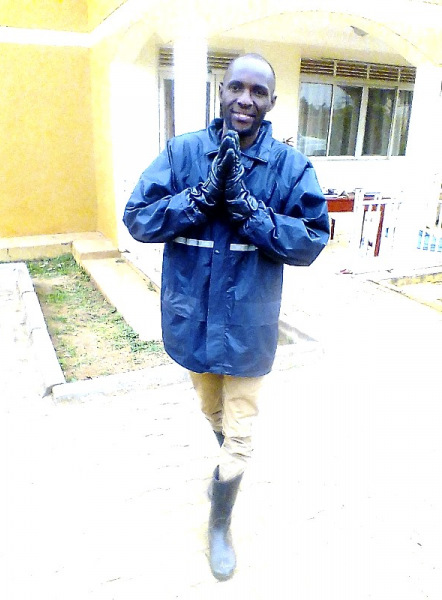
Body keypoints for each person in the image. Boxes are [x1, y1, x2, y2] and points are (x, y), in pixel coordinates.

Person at [123, 53, 329, 580]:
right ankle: (228, 469)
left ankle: (220, 523)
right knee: (210, 409)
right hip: (192, 318)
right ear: (221, 90)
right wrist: (199, 198)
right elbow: (138, 218)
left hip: (247, 326)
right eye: (237, 87)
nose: (245, 99)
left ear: (272, 102)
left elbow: (311, 240)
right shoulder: (184, 152)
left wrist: (247, 209)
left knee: (239, 431)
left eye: (258, 92)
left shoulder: (290, 168)